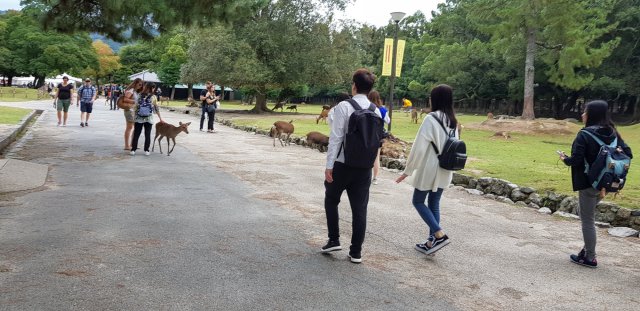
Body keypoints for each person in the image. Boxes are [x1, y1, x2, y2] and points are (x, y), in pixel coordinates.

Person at [559, 100, 632, 268]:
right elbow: (628, 153)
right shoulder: (613, 133)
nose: (582, 114)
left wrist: (564, 159)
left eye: (585, 111)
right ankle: (587, 250)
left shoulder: (584, 134)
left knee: (587, 220)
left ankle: (590, 257)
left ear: (592, 114)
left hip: (588, 182)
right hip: (605, 183)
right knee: (584, 213)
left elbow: (576, 160)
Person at [321, 68, 382, 264]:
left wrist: (329, 165)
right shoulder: (376, 111)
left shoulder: (344, 107)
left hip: (342, 164)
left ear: (354, 86)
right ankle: (356, 252)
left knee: (331, 199)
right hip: (364, 167)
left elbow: (336, 138)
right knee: (360, 209)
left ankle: (334, 239)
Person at [395, 84, 458, 256]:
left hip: (430, 167)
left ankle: (439, 234)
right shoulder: (452, 120)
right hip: (446, 167)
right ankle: (431, 242)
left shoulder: (431, 119)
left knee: (418, 201)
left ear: (435, 99)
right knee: (434, 203)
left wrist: (407, 171)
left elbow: (418, 147)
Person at [130, 82, 164, 156]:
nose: (154, 89)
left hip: (139, 118)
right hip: (149, 118)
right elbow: (156, 108)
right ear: (151, 88)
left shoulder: (139, 95)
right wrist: (160, 118)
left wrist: (133, 116)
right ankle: (146, 150)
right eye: (153, 88)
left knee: (136, 134)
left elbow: (135, 107)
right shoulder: (154, 97)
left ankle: (133, 149)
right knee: (147, 134)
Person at [367, 90, 390, 185]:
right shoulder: (382, 110)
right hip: (377, 136)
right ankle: (375, 178)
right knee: (376, 158)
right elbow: (388, 121)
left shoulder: (366, 107)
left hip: (366, 135)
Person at [121, 78, 144, 151]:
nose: (140, 86)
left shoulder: (135, 91)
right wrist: (134, 101)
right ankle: (127, 145)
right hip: (129, 110)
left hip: (134, 111)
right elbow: (125, 99)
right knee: (129, 127)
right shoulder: (131, 90)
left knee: (135, 128)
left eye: (141, 85)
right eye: (139, 84)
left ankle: (132, 144)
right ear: (135, 83)